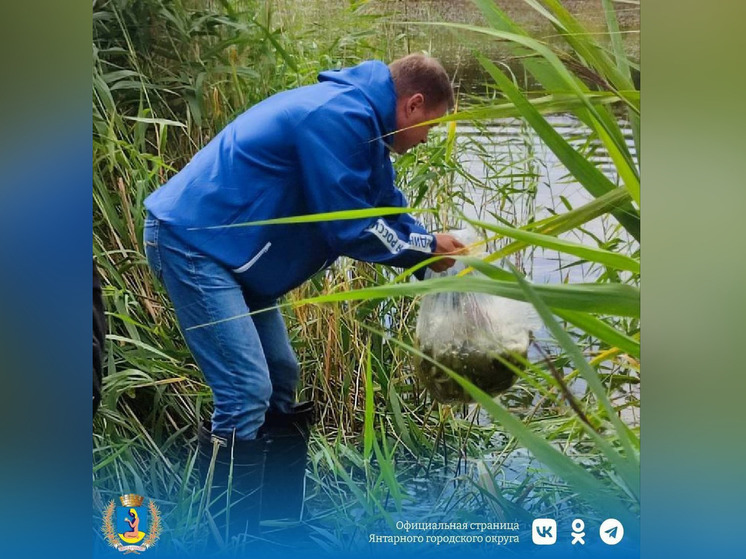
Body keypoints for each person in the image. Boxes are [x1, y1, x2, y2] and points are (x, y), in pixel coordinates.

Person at [142, 54, 464, 536]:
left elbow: (385, 209)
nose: (425, 141)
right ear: (414, 105)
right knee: (246, 389)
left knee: (281, 376)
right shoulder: (339, 117)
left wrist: (430, 260)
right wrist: (422, 247)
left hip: (230, 254)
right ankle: (226, 534)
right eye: (431, 128)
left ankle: (274, 523)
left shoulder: (368, 127)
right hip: (194, 244)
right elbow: (348, 227)